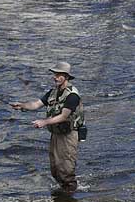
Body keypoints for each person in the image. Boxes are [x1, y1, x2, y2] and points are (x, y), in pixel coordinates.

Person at [11, 62, 84, 192]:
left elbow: (64, 116)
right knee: (55, 169)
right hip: (56, 133)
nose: (55, 77)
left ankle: (70, 199)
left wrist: (44, 122)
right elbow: (35, 105)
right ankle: (63, 193)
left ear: (66, 77)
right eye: (54, 74)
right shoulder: (52, 92)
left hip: (68, 135)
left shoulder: (73, 95)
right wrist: (22, 105)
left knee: (66, 169)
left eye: (58, 75)